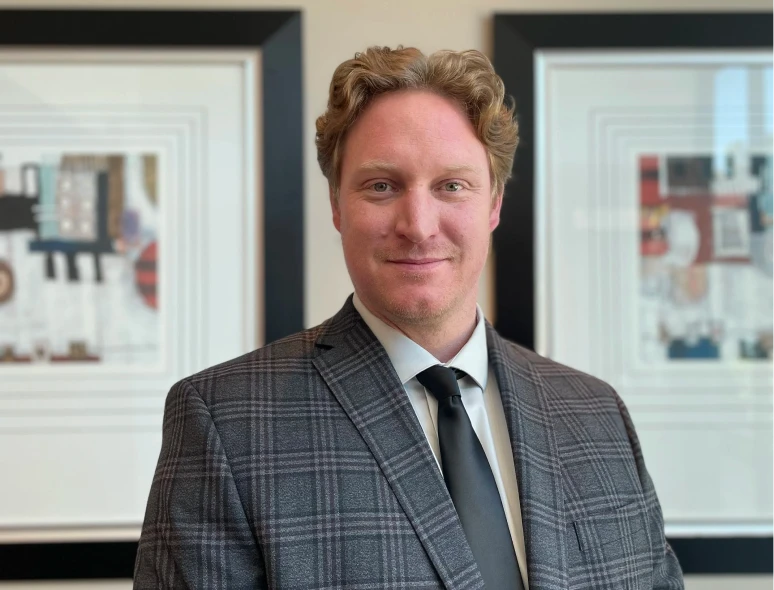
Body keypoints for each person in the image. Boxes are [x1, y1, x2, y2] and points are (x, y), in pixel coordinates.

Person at [134, 46, 684, 589]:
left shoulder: (598, 415)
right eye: (382, 186)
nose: (418, 225)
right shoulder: (225, 423)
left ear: (493, 203)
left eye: (452, 186)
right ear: (336, 203)